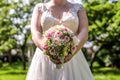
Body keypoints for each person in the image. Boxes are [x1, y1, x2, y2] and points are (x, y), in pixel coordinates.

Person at [26, 0, 94, 80]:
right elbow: (35, 32)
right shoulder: (39, 8)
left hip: (73, 57)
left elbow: (84, 31)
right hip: (45, 58)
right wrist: (48, 51)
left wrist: (72, 52)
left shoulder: (79, 8)